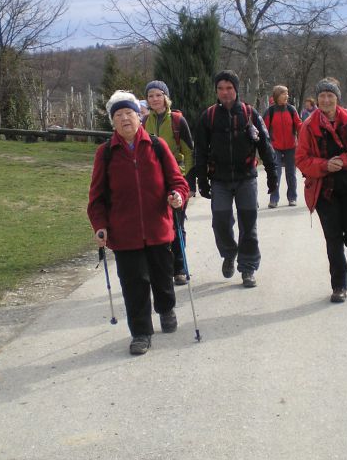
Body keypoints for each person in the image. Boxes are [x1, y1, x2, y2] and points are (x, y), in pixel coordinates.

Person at [87, 90, 189, 355]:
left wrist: (177, 195)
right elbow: (96, 198)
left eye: (129, 113)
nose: (124, 119)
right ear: (113, 122)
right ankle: (141, 332)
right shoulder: (105, 153)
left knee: (162, 277)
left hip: (158, 228)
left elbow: (178, 181)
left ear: (138, 116)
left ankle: (166, 309)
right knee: (134, 285)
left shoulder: (157, 146)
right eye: (118, 115)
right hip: (125, 233)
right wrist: (100, 225)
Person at [193, 70, 277, 288]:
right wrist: (202, 179)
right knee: (220, 223)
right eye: (220, 88)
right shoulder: (208, 116)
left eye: (229, 88)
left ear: (236, 89)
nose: (225, 92)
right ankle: (229, 253)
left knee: (248, 226)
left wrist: (272, 174)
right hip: (219, 180)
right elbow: (200, 151)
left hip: (246, 178)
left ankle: (248, 268)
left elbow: (265, 146)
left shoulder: (250, 113)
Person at [296, 77, 347, 304]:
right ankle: (339, 285)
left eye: (330, 95)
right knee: (333, 239)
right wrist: (324, 165)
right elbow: (301, 159)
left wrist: (345, 160)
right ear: (317, 100)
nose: (326, 99)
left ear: (337, 98)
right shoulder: (308, 126)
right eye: (322, 96)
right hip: (324, 190)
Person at [142, 80, 195, 286]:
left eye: (158, 95)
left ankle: (180, 268)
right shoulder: (144, 121)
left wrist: (190, 182)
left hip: (176, 178)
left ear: (165, 97)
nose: (154, 99)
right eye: (150, 96)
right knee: (157, 226)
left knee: (176, 224)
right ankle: (162, 267)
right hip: (153, 181)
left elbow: (189, 152)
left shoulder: (177, 120)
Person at [263, 85, 303, 208]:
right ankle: (274, 199)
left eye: (287, 94)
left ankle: (292, 197)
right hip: (275, 147)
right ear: (277, 96)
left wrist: (303, 140)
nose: (287, 96)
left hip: (291, 146)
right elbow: (263, 129)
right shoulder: (270, 111)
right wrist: (266, 145)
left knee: (291, 173)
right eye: (284, 94)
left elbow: (299, 125)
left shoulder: (291, 110)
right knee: (276, 173)